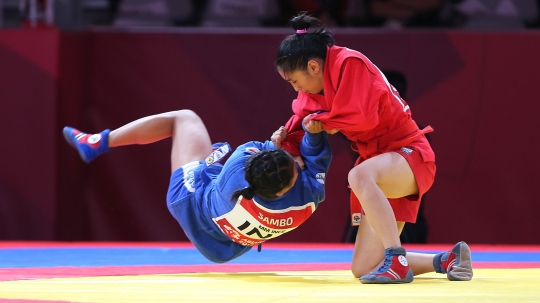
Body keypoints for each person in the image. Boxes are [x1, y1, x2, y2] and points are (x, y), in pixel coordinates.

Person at [270, 12, 473, 284]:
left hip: (409, 155)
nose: (295, 88)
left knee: (358, 176)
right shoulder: (314, 90)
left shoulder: (350, 63)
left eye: (294, 81)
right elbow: (301, 121)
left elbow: (362, 116)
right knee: (364, 267)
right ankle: (447, 260)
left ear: (313, 67)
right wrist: (283, 140)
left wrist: (321, 122)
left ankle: (397, 260)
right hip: (380, 167)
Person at [63, 109, 332, 263]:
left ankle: (97, 142)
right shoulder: (310, 196)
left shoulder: (239, 166)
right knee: (210, 161)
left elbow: (268, 149)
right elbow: (317, 159)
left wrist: (275, 144)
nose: (298, 161)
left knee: (184, 119)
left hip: (191, 203)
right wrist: (312, 137)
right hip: (223, 249)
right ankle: (207, 159)